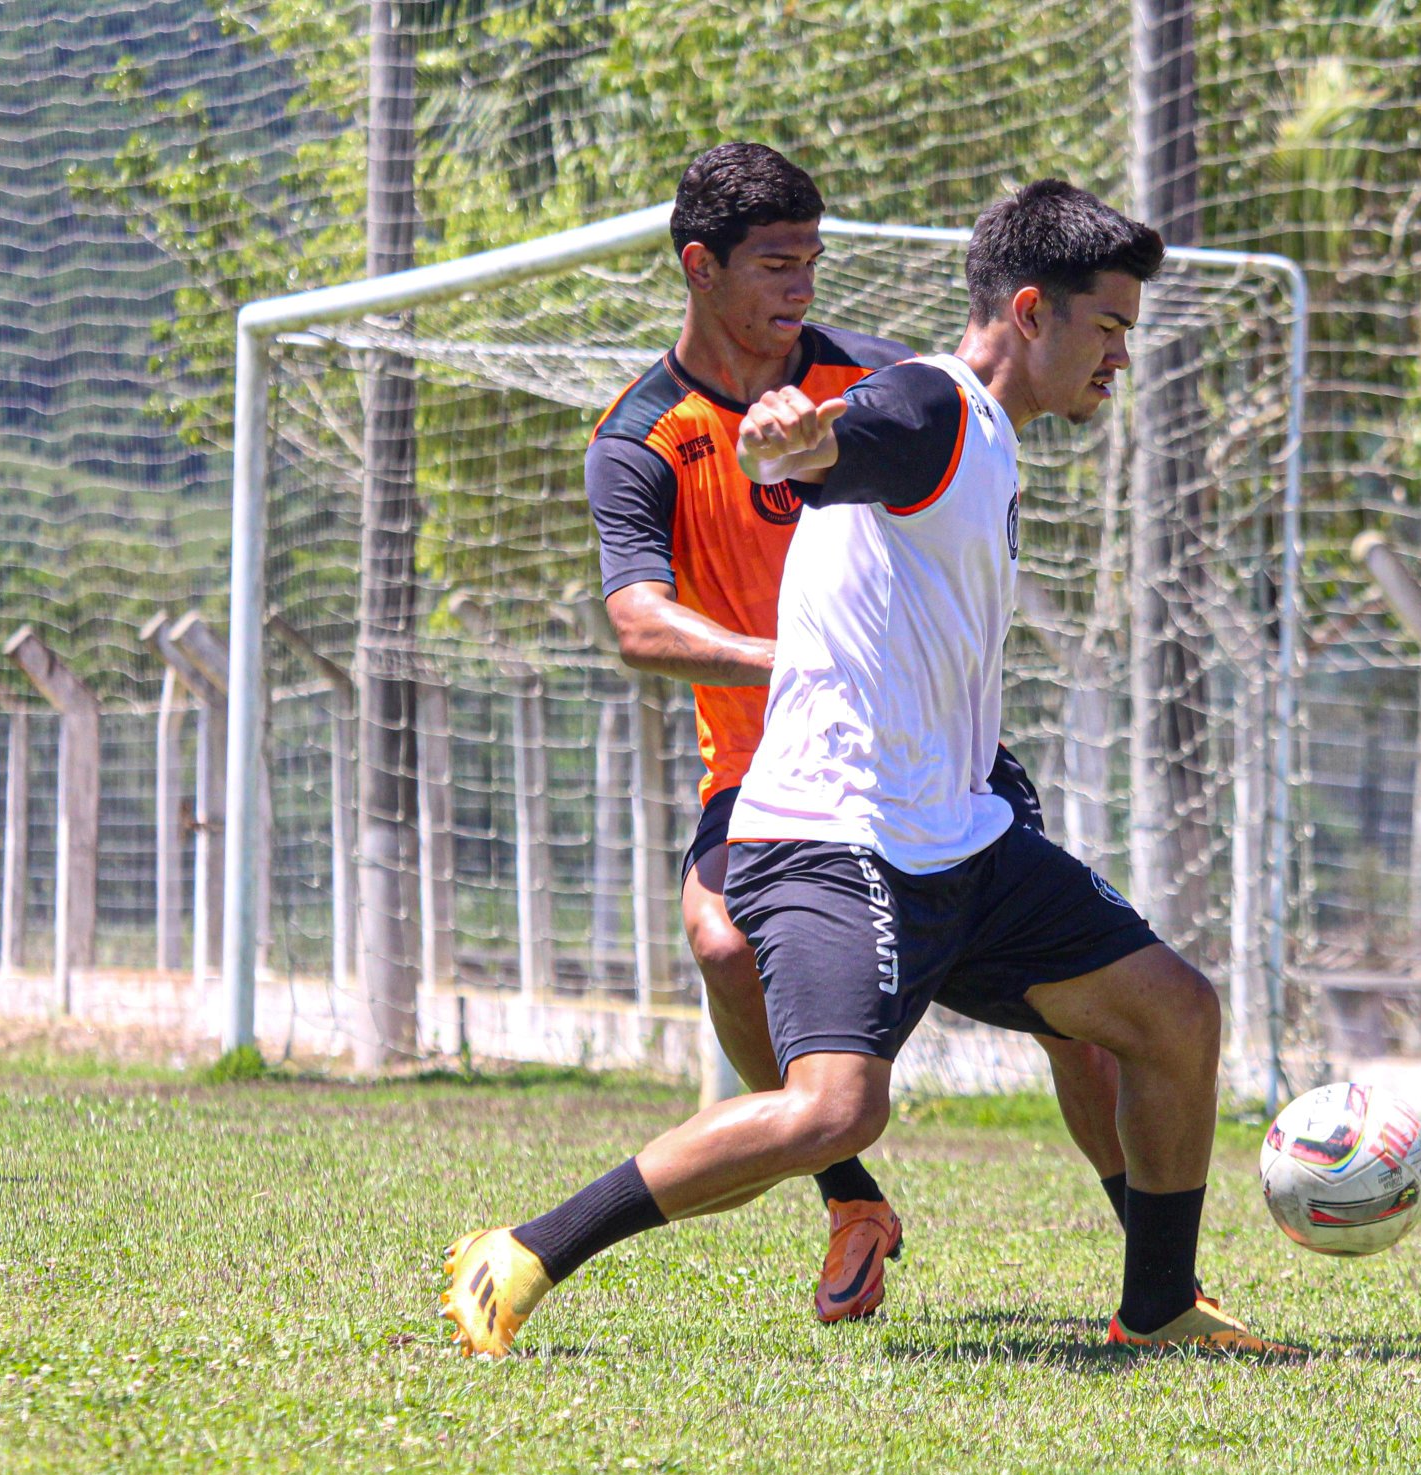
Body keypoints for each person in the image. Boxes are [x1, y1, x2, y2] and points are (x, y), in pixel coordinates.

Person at [442, 177, 1293, 1358]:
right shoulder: (934, 409)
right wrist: (805, 444)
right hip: (839, 836)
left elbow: (862, 434)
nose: (1119, 362)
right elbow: (865, 436)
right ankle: (528, 1248)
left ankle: (1159, 1306)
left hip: (959, 831)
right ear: (1034, 312)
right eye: (1109, 331)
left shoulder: (982, 429)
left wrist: (812, 439)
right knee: (836, 1108)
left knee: (1173, 1013)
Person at [581, 142, 1136, 1323]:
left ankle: (1159, 1265)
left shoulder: (878, 380)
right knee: (724, 946)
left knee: (1083, 1025)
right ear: (700, 267)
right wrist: (783, 661)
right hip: (772, 771)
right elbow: (637, 622)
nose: (802, 289)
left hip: (935, 760)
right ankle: (844, 1191)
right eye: (777, 264)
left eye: (813, 262)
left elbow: (945, 430)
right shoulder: (640, 435)